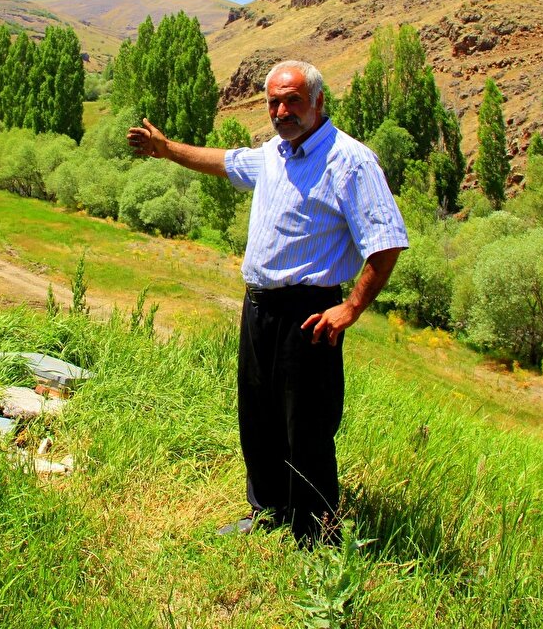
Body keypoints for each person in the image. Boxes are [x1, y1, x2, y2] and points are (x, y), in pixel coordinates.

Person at [127, 60, 407, 545]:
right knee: (258, 414)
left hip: (311, 312)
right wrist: (166, 149)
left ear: (318, 102)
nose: (282, 110)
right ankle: (269, 509)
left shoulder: (350, 160)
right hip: (258, 307)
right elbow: (223, 161)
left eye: (293, 100)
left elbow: (386, 243)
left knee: (308, 425)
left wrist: (351, 309)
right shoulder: (274, 154)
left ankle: (316, 534)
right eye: (274, 102)